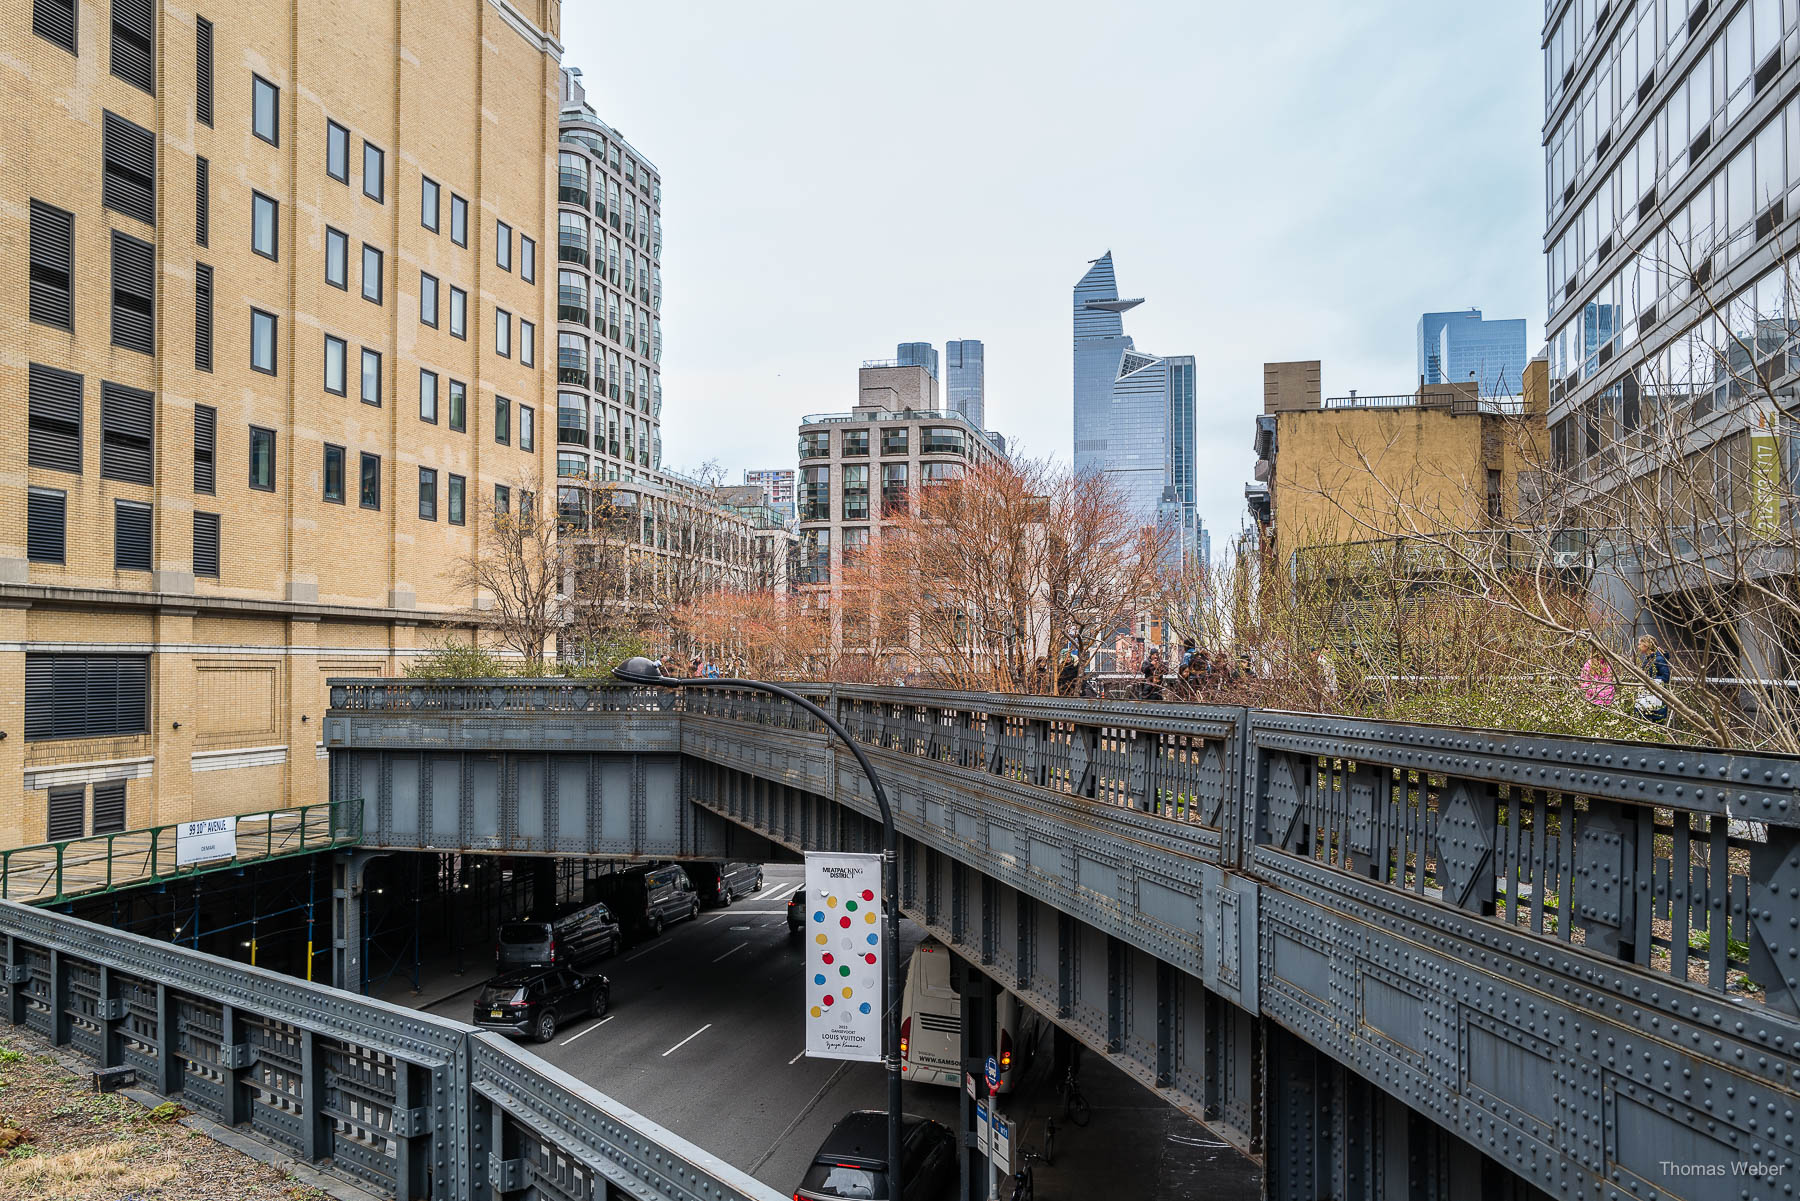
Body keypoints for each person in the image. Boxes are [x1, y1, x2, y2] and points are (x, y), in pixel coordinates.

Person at [1636, 635, 1671, 724]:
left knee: (1656, 722)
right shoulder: (1648, 659)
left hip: (1657, 698)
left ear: (1646, 645)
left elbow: (1666, 677)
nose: (1638, 646)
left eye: (1640, 644)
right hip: (1649, 695)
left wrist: (1651, 681)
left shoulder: (1659, 659)